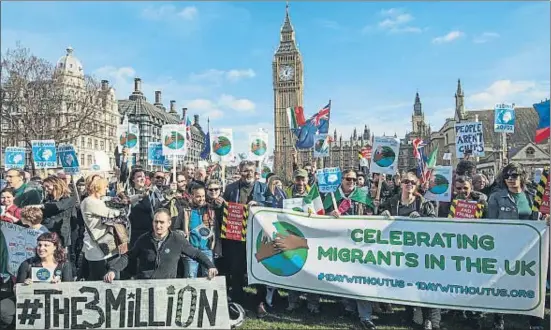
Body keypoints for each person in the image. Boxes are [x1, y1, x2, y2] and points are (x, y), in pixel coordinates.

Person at [379, 170, 441, 330]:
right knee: (405, 284)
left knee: (424, 284)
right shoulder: (392, 202)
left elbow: (435, 222)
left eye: (412, 182)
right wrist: (381, 214)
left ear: (417, 184)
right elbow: (378, 216)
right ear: (401, 183)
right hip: (399, 251)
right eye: (406, 181)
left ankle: (429, 318)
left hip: (420, 251)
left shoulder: (423, 203)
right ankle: (409, 313)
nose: (409, 184)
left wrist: (422, 219)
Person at [487, 162, 544, 330]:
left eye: (514, 176)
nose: (510, 179)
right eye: (507, 176)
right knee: (501, 281)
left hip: (529, 247)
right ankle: (499, 319)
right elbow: (491, 223)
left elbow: (538, 218)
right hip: (504, 246)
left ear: (522, 177)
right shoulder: (496, 197)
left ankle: (534, 320)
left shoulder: (532, 195)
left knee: (531, 282)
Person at [104, 209, 217, 281]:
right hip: (145, 285)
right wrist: (113, 270)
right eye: (156, 222)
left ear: (169, 223)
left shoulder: (177, 239)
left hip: (167, 287)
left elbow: (195, 253)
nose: (158, 226)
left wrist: (210, 266)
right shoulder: (144, 239)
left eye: (162, 222)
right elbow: (128, 256)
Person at [325, 169, 376, 330]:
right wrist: (329, 214)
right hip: (339, 245)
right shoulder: (331, 196)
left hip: (359, 245)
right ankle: (348, 306)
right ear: (342, 180)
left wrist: (373, 210)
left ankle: (365, 315)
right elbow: (320, 215)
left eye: (354, 179)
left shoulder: (362, 195)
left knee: (361, 278)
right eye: (348, 179)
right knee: (343, 277)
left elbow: (372, 215)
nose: (352, 182)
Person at [222, 160, 273, 317]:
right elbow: (224, 209)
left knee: (259, 269)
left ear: (255, 172)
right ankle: (237, 302)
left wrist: (259, 203)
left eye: (251, 170)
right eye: (245, 170)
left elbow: (273, 204)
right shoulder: (230, 188)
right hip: (236, 237)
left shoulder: (264, 188)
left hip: (258, 237)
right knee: (236, 270)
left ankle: (260, 302)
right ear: (240, 171)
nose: (248, 173)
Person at [80, 175, 127, 281]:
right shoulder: (89, 202)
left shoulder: (102, 200)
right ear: (97, 187)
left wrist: (139, 196)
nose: (107, 189)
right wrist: (122, 208)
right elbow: (112, 213)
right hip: (96, 249)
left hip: (110, 246)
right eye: (105, 186)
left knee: (115, 280)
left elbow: (120, 203)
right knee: (101, 283)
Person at [27, 176, 76, 247]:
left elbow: (57, 206)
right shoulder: (47, 199)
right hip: (46, 232)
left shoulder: (69, 198)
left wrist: (40, 206)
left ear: (56, 185)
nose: (46, 189)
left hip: (61, 234)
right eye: (44, 187)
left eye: (47, 186)